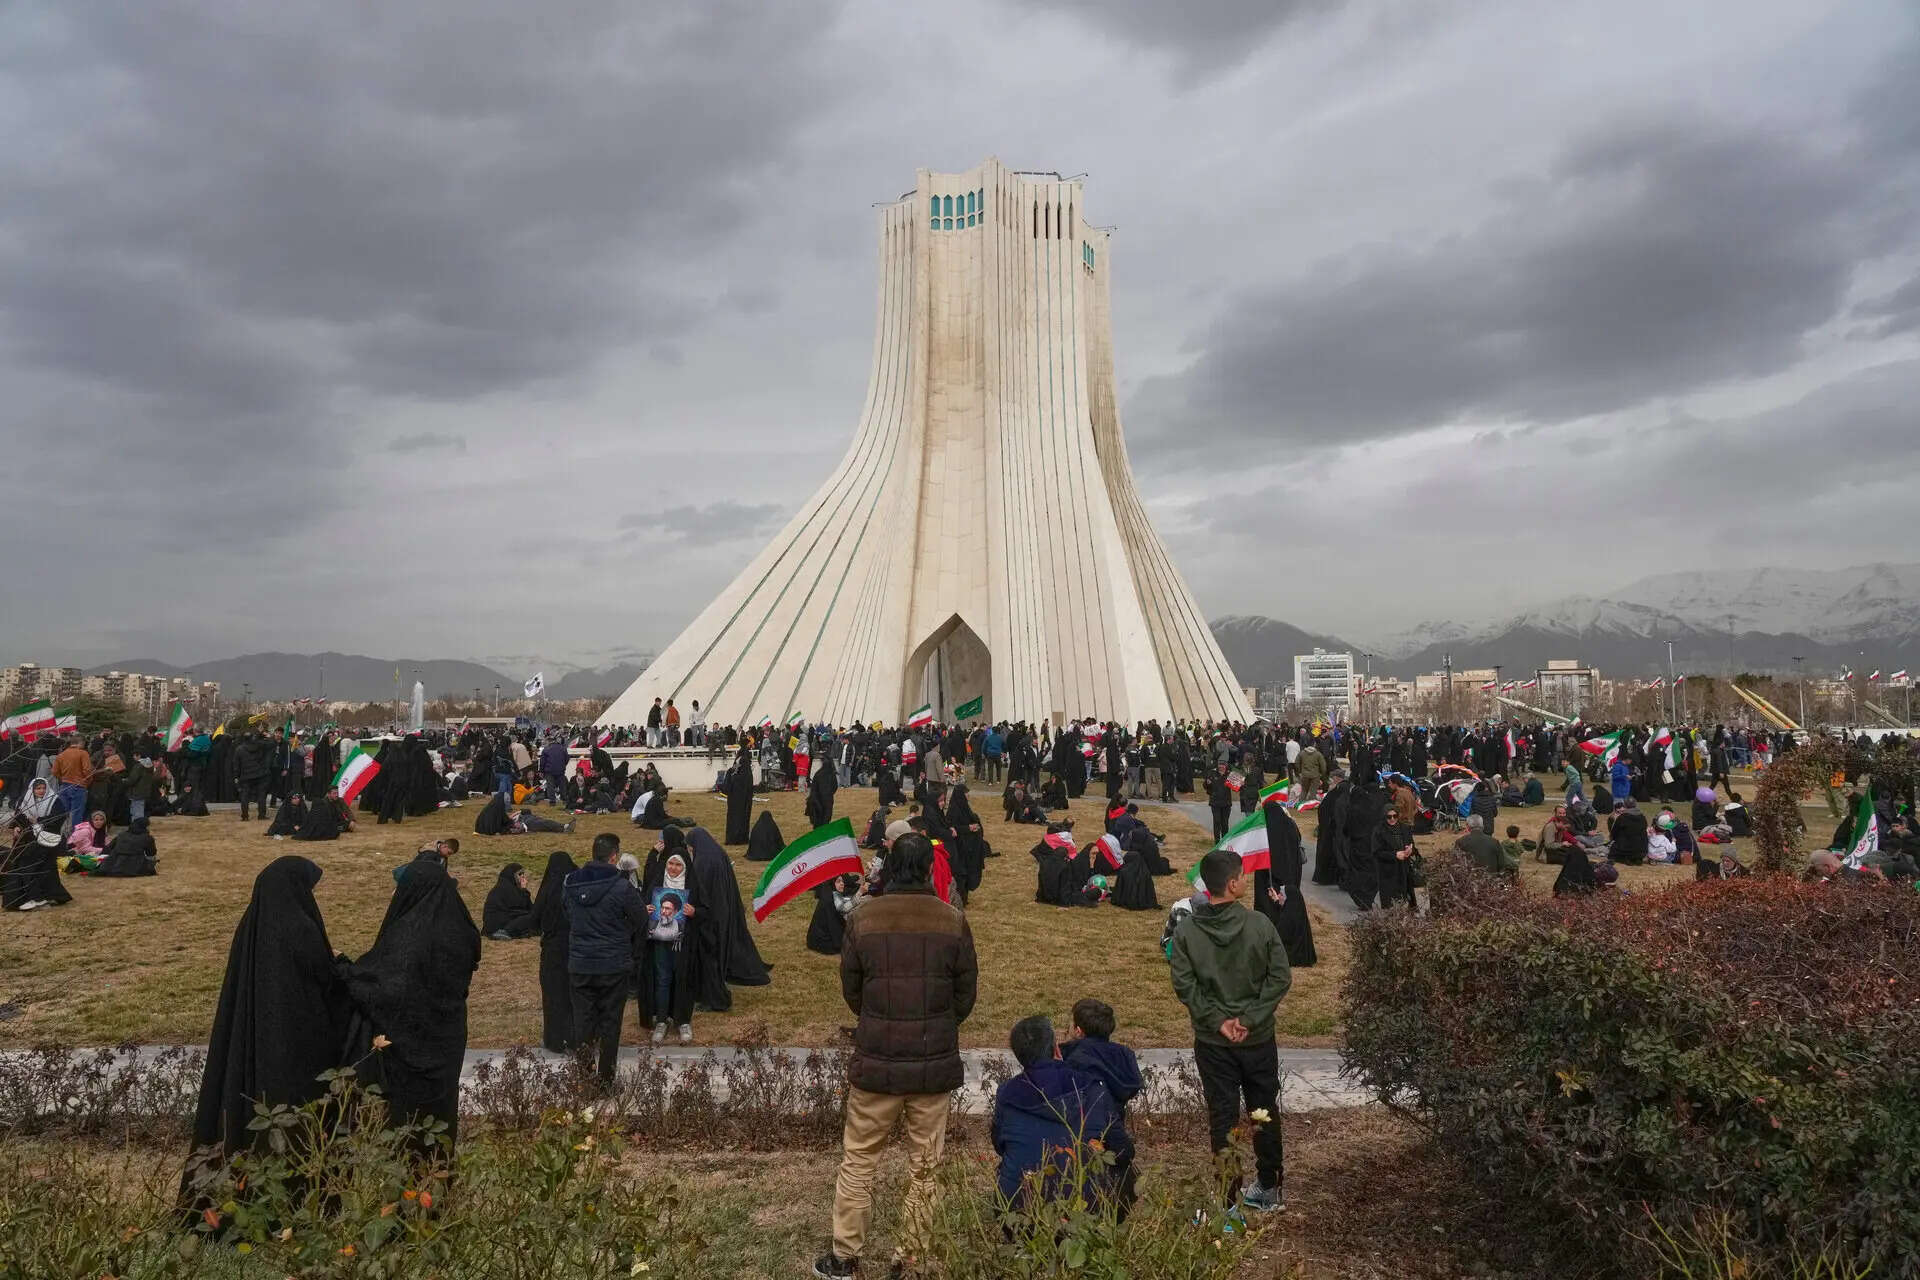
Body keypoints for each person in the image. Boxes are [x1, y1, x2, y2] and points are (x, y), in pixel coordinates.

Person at [814, 834, 978, 1280]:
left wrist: (880, 1017)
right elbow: (965, 995)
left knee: (859, 1159)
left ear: (889, 866)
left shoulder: (863, 918)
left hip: (878, 1062)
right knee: (925, 1168)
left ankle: (846, 1256)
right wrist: (935, 1021)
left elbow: (852, 989)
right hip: (930, 1062)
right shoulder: (952, 920)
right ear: (928, 868)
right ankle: (912, 1261)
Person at [181, 856, 348, 1210]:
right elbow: (325, 978)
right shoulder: (299, 927)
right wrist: (343, 965)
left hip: (254, 1037)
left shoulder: (253, 924)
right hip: (295, 1044)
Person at [1168, 846, 1290, 1214]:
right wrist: (1250, 1019)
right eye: (1243, 876)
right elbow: (1280, 977)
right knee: (1263, 1111)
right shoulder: (1259, 924)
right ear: (1233, 883)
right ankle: (1269, 1187)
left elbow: (1185, 985)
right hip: (1257, 1039)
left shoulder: (1187, 931)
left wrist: (1219, 1021)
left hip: (1213, 1041)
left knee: (1222, 1117)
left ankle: (1229, 1203)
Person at [341, 858, 482, 1160]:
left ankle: (413, 1188)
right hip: (448, 1035)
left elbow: (388, 988)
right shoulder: (457, 927)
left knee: (410, 1126)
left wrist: (345, 971)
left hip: (412, 1045)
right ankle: (438, 1179)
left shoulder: (411, 935)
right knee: (442, 1119)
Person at [991, 1015, 1119, 1213]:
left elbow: (1000, 1144)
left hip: (1018, 1211)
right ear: (1056, 1049)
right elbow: (1122, 1147)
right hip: (1086, 1212)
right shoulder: (1092, 1086)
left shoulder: (1007, 1093)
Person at [564, 832, 647, 1090]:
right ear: (614, 857)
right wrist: (626, 942)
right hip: (612, 964)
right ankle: (605, 1080)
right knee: (611, 1023)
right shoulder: (622, 886)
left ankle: (585, 1076)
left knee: (583, 1022)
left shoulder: (570, 884)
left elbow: (567, 913)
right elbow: (641, 919)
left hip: (582, 963)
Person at [1058, 998, 1143, 1208]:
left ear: (1078, 1031)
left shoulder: (1073, 1060)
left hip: (1078, 1147)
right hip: (1114, 1148)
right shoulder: (1122, 1058)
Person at [681, 826, 773, 1009]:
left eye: (690, 848)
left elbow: (701, 892)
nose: (690, 851)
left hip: (713, 913)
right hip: (725, 906)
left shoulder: (702, 862)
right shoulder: (717, 853)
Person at [638, 846, 696, 1044]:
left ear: (685, 866)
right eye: (670, 863)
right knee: (662, 979)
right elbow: (642, 905)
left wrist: (694, 912)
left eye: (678, 864)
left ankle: (682, 1021)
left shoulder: (693, 885)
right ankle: (661, 1020)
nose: (673, 868)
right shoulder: (657, 883)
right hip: (660, 943)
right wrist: (645, 909)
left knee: (683, 979)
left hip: (684, 943)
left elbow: (707, 910)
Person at [1258, 795, 1315, 965]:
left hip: (1271, 878)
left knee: (1273, 909)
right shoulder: (1289, 824)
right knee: (1291, 909)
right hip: (1291, 876)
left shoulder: (1267, 829)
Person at [530, 850, 578, 1052]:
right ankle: (577, 1038)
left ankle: (555, 1039)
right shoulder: (575, 887)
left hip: (552, 951)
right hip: (576, 948)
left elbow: (535, 918)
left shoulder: (548, 889)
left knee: (554, 996)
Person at [806, 872, 860, 955]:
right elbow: (843, 910)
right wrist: (859, 894)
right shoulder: (831, 898)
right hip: (824, 940)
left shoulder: (830, 894)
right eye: (838, 882)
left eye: (843, 881)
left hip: (817, 938)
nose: (842, 884)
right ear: (833, 883)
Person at [482, 863, 538, 939]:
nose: (522, 876)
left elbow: (527, 908)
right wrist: (524, 890)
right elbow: (521, 907)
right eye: (519, 874)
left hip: (506, 918)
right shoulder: (505, 888)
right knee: (528, 918)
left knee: (532, 917)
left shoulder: (513, 887)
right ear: (512, 875)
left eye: (523, 873)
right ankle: (505, 931)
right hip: (496, 923)